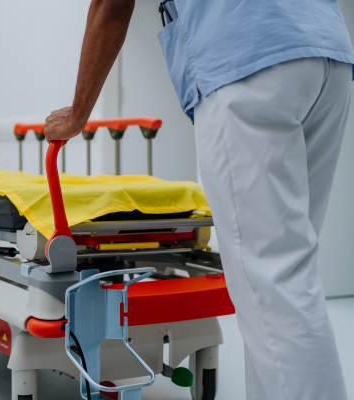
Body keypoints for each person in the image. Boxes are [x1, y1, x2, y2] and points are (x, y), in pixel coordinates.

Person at [43, 1, 354, 399]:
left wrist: (78, 114)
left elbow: (112, 5)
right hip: (326, 52)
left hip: (247, 59)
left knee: (274, 286)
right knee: (282, 284)